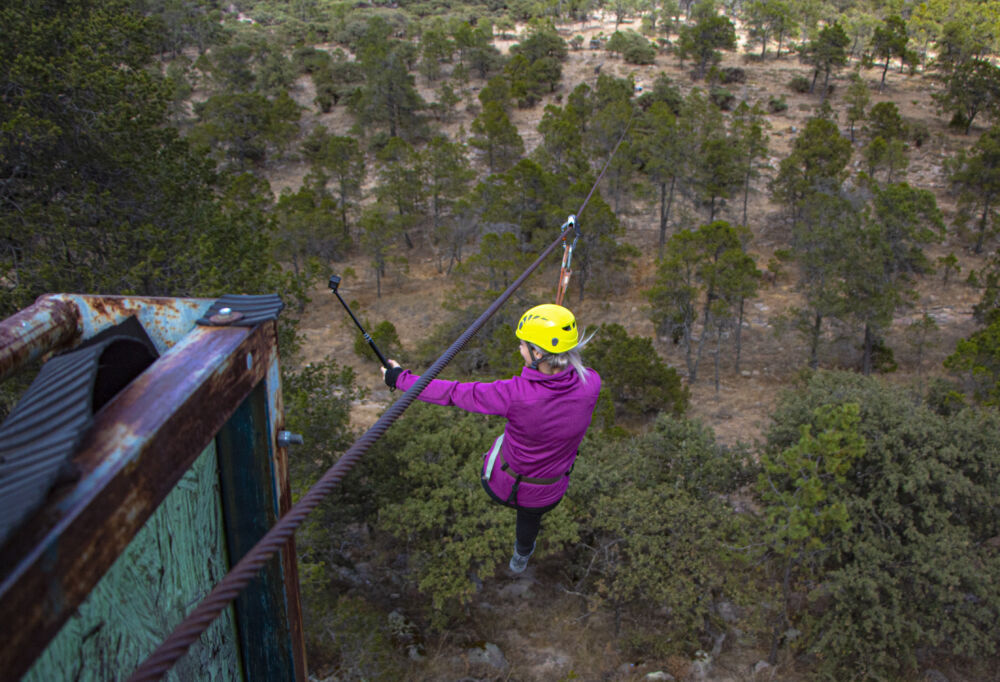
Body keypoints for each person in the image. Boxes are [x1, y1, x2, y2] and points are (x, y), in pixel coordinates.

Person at [381, 304, 601, 574]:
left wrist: (400, 379)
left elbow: (452, 393)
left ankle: (520, 550)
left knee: (503, 440)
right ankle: (522, 554)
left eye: (522, 344)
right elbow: (562, 383)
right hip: (550, 490)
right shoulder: (592, 383)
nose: (519, 348)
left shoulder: (515, 394)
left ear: (538, 353)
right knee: (529, 518)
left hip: (502, 484)